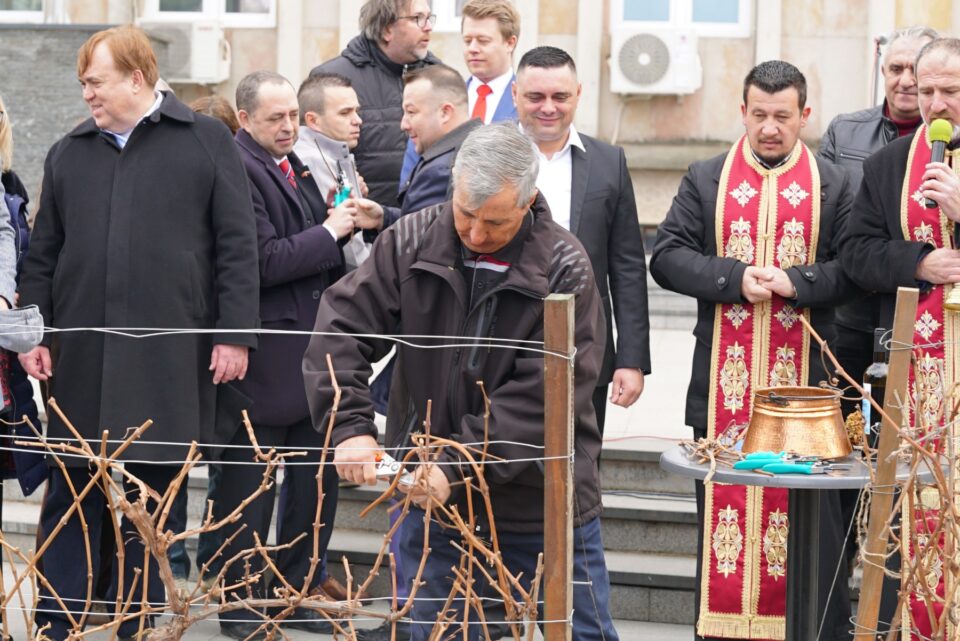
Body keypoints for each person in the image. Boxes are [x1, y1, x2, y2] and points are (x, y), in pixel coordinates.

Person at [303, 122, 619, 641]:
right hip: (429, 498)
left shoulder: (565, 267)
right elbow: (342, 327)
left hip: (538, 499)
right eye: (466, 213)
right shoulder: (410, 239)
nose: (475, 234)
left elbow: (542, 398)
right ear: (454, 186)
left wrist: (455, 463)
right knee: (439, 632)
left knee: (582, 632)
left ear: (528, 201)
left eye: (494, 222)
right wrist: (350, 426)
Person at [17, 26, 260, 640]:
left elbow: (238, 245)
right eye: (82, 84)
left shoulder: (205, 140)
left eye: (95, 82)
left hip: (170, 360)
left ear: (136, 77)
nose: (87, 95)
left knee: (152, 501)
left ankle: (135, 622)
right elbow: (43, 254)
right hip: (80, 358)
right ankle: (57, 622)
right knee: (72, 495)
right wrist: (34, 332)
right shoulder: (69, 151)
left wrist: (234, 334)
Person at [650, 60, 855, 641]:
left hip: (808, 397)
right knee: (723, 521)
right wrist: (733, 278)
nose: (769, 127)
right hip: (722, 392)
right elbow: (666, 256)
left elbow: (856, 268)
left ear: (804, 115)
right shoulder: (706, 177)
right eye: (759, 114)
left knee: (812, 536)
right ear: (742, 111)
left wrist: (799, 281)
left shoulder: (835, 183)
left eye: (782, 116)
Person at [216, 70, 365, 640]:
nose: (288, 127)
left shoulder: (292, 163)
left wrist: (342, 224)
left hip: (312, 353)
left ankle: (295, 591)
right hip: (264, 357)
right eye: (274, 118)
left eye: (292, 116)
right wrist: (330, 230)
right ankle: (240, 605)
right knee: (249, 489)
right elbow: (263, 261)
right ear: (244, 119)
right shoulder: (237, 167)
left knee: (314, 486)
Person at [839, 37, 960, 639]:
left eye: (950, 91)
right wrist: (918, 262)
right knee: (919, 507)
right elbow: (856, 252)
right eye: (927, 89)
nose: (935, 103)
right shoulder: (890, 163)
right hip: (920, 371)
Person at [513, 46, 650, 435]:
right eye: (535, 96)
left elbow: (626, 266)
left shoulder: (609, 162)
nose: (548, 108)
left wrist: (632, 358)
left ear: (578, 93)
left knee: (582, 458)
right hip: (503, 343)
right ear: (515, 95)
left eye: (560, 96)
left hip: (586, 344)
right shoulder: (487, 155)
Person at [311, 0, 439, 208]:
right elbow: (316, 159)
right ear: (387, 29)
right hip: (361, 220)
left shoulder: (438, 75)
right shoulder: (331, 79)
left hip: (425, 219)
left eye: (429, 17)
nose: (428, 27)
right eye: (417, 18)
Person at [398, 0, 520, 186]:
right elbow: (412, 172)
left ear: (510, 43)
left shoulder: (528, 104)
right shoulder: (440, 97)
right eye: (467, 40)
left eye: (483, 41)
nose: (473, 49)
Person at [294, 72, 373, 271]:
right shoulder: (312, 160)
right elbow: (349, 245)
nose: (357, 120)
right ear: (313, 120)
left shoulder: (333, 151)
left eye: (356, 111)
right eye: (345, 113)